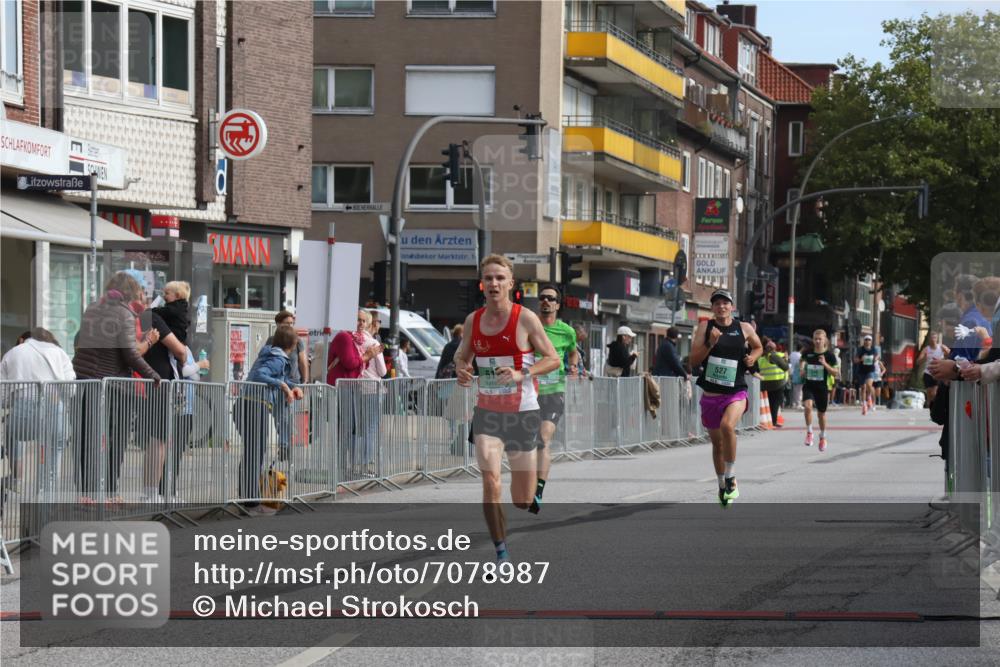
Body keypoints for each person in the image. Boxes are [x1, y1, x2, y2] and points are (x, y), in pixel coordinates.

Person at [454, 254, 559, 565]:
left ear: (511, 284)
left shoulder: (525, 318)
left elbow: (552, 358)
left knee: (522, 500)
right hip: (487, 412)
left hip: (523, 413)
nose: (494, 283)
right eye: (489, 278)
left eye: (500, 278)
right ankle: (501, 552)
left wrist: (521, 374)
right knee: (490, 480)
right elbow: (462, 356)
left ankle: (536, 480)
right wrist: (461, 368)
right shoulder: (474, 320)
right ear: (481, 285)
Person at [73, 271, 162, 503]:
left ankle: (86, 493)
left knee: (87, 438)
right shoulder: (123, 313)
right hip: (112, 385)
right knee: (117, 439)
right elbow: (131, 355)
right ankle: (110, 491)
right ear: (130, 292)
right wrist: (153, 375)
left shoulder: (92, 308)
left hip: (83, 381)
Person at [689, 288, 762, 508]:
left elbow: (758, 346)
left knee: (727, 426)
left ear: (732, 306)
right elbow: (694, 360)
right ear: (712, 307)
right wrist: (710, 343)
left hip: (735, 392)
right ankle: (721, 484)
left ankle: (730, 477)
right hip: (711, 393)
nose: (721, 307)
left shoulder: (744, 328)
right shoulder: (705, 327)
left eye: (725, 303)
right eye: (717, 303)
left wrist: (752, 358)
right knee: (717, 444)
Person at [234, 325, 303, 514]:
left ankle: (247, 500)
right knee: (255, 454)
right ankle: (251, 503)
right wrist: (282, 384)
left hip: (248, 404)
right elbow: (260, 375)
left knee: (253, 453)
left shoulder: (271, 354)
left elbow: (273, 375)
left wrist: (291, 386)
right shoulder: (278, 359)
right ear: (293, 344)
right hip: (255, 405)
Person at [0, 327, 76, 497]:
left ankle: (17, 476)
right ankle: (47, 496)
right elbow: (71, 389)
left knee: (12, 433)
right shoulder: (59, 353)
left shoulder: (13, 353)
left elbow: (2, 395)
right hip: (54, 408)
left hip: (23, 409)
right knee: (54, 449)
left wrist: (14, 400)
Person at [531, 284, 579, 515]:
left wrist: (573, 365)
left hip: (554, 392)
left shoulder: (566, 331)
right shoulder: (530, 327)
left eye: (551, 298)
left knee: (543, 438)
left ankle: (538, 491)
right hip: (529, 391)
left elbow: (573, 351)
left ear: (558, 305)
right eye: (542, 298)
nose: (546, 302)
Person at [268, 310, 307, 461]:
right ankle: (285, 445)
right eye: (287, 323)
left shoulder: (297, 340)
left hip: (294, 383)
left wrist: (304, 382)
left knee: (288, 417)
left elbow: (303, 361)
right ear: (278, 325)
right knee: (280, 417)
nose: (290, 326)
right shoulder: (271, 340)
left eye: (292, 323)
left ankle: (285, 444)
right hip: (279, 384)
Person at [801, 329, 839, 452]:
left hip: (822, 388)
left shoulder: (830, 356)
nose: (817, 341)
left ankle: (822, 436)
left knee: (821, 414)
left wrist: (825, 364)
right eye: (815, 339)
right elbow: (802, 360)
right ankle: (809, 432)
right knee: (807, 407)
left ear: (824, 340)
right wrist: (801, 368)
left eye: (820, 339)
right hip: (809, 385)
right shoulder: (808, 352)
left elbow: (835, 373)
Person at [757, 336, 788, 427]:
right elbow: (786, 367)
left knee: (769, 403)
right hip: (778, 383)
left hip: (764, 384)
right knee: (775, 403)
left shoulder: (760, 358)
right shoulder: (777, 356)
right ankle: (773, 422)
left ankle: (770, 420)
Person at [917, 331, 949, 407]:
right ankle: (930, 410)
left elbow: (950, 354)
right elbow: (918, 362)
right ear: (929, 339)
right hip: (928, 373)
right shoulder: (926, 349)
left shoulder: (941, 347)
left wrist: (946, 353)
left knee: (934, 393)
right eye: (931, 338)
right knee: (929, 394)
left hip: (938, 373)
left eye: (934, 337)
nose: (933, 339)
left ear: (937, 338)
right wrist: (924, 357)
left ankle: (935, 409)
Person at [855, 335, 880, 415]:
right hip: (861, 370)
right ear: (864, 341)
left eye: (869, 340)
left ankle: (872, 401)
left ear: (871, 341)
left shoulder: (873, 349)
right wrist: (860, 359)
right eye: (866, 339)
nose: (867, 341)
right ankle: (864, 404)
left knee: (869, 385)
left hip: (870, 370)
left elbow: (877, 355)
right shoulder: (860, 350)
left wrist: (875, 358)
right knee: (863, 388)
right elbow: (855, 360)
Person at [789, 343, 804, 409]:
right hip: (798, 373)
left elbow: (789, 361)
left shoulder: (792, 354)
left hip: (792, 372)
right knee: (799, 389)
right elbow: (801, 365)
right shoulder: (800, 356)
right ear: (801, 348)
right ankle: (798, 403)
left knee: (794, 389)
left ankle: (794, 403)